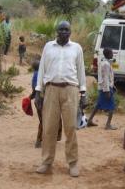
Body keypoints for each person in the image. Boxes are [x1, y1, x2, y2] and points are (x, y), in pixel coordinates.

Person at [35, 20, 86, 177]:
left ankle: (73, 164)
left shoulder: (76, 48)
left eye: (66, 30)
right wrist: (38, 91)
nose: (64, 32)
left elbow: (81, 70)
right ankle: (46, 162)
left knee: (70, 128)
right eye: (61, 29)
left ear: (70, 32)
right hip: (51, 89)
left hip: (70, 90)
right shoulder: (48, 47)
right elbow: (42, 68)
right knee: (49, 128)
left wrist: (83, 92)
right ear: (56, 31)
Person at [30, 60, 62, 148]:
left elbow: (35, 90)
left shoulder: (35, 76)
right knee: (48, 120)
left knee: (43, 120)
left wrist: (30, 97)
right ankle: (39, 141)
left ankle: (46, 139)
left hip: (38, 101)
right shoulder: (41, 76)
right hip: (44, 101)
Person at [87, 48, 117, 130]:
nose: (112, 54)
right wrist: (107, 90)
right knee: (111, 106)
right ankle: (108, 125)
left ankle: (89, 120)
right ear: (108, 54)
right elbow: (106, 78)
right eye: (111, 53)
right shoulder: (106, 64)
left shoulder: (104, 62)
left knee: (98, 105)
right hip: (105, 88)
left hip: (103, 87)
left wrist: (112, 85)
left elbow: (106, 77)